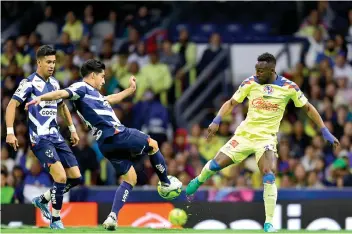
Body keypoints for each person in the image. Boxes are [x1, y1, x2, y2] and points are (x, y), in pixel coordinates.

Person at [185, 53, 340, 233]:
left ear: (272, 70)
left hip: (266, 138)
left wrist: (324, 130)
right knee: (215, 165)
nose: (257, 73)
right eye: (256, 69)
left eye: (261, 70)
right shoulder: (250, 83)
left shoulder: (288, 87)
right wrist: (217, 120)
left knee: (268, 174)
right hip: (244, 135)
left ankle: (269, 223)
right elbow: (231, 102)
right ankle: (199, 180)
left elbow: (308, 108)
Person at [25, 59, 182, 230]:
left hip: (105, 144)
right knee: (153, 144)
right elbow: (61, 94)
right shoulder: (80, 87)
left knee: (131, 178)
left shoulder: (94, 94)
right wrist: (41, 97)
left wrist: (129, 91)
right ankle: (166, 183)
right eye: (102, 76)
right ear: (92, 75)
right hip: (116, 133)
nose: (104, 80)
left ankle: (112, 217)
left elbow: (110, 99)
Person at [5, 45, 82, 229]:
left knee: (76, 177)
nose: (52, 65)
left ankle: (43, 199)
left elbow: (62, 107)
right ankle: (55, 220)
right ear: (38, 62)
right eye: (48, 62)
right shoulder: (29, 83)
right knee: (61, 177)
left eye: (54, 62)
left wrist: (72, 129)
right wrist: (10, 132)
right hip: (39, 139)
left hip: (56, 136)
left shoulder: (55, 84)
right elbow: (11, 105)